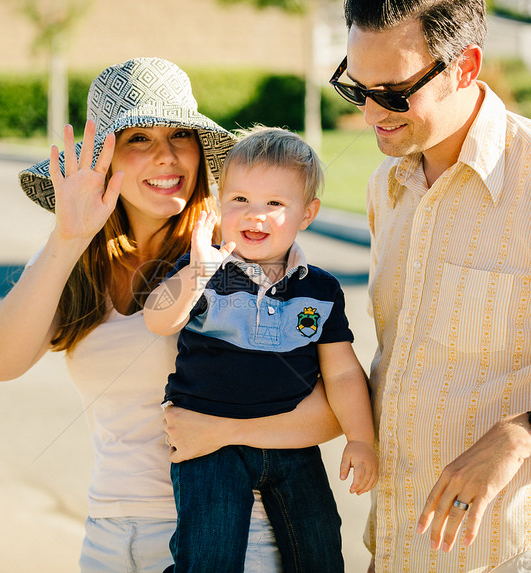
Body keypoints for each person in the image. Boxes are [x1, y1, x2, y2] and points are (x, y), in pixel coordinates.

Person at [0, 58, 343, 572]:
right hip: (108, 534)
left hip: (231, 534)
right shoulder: (76, 259)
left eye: (180, 136)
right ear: (104, 160)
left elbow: (330, 412)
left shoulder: (237, 249)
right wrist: (67, 238)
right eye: (139, 140)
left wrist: (224, 433)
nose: (167, 157)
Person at [329, 0, 531, 571]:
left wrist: (526, 432)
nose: (371, 115)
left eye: (394, 93)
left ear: (465, 67)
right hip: (398, 555)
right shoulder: (386, 187)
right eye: (357, 88)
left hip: (516, 557)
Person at [144, 127, 378, 572]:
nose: (256, 215)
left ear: (307, 213)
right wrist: (196, 271)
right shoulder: (203, 271)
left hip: (292, 442)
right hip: (208, 446)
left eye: (275, 203)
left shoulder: (320, 289)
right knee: (209, 555)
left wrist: (361, 438)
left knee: (319, 551)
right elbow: (159, 319)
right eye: (240, 200)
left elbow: (343, 373)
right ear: (217, 206)